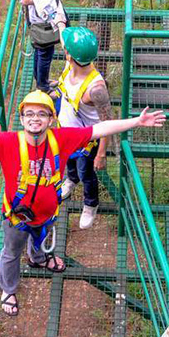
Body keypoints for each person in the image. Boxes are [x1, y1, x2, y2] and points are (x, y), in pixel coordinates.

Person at [0, 91, 166, 318]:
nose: (35, 119)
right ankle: (9, 289)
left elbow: (100, 129)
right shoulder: (7, 142)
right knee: (11, 252)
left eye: (41, 114)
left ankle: (38, 259)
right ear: (22, 118)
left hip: (48, 213)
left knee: (39, 239)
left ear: (51, 119)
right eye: (29, 114)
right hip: (17, 218)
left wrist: (137, 122)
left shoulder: (62, 139)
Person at [55, 27, 110, 229]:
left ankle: (90, 203)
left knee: (86, 172)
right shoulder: (70, 66)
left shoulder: (96, 89)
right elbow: (63, 36)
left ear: (69, 55)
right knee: (69, 162)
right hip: (65, 133)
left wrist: (101, 154)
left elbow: (107, 122)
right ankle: (71, 180)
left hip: (86, 141)